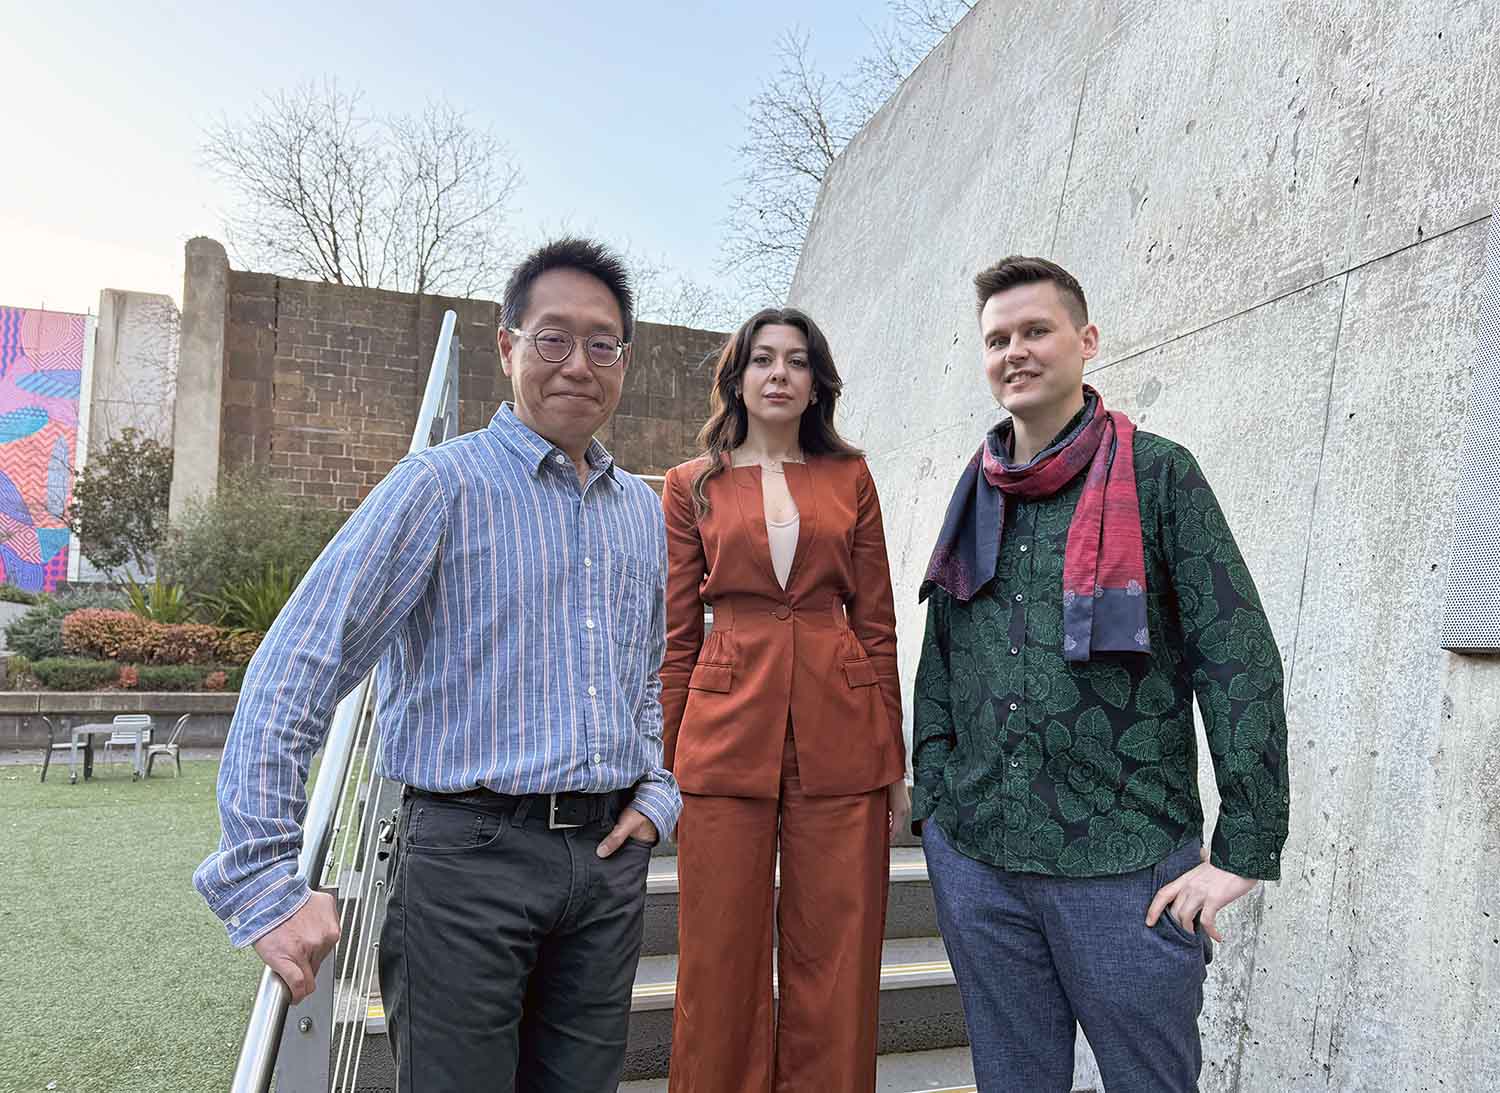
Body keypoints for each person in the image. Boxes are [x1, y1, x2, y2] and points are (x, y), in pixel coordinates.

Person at [193, 238, 679, 1092]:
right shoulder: (438, 486)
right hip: (467, 860)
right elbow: (301, 659)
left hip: (603, 864)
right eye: (552, 338)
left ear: (624, 361)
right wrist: (262, 871)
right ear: (507, 346)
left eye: (602, 343)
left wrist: (656, 791)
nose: (577, 363)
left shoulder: (641, 510)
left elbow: (645, 670)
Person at [912, 256, 1290, 1092]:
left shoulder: (1159, 476)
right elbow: (942, 657)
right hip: (980, 861)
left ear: (1085, 342)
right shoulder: (975, 490)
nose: (1016, 350)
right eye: (997, 338)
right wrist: (934, 804)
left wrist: (1244, 847)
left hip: (1127, 872)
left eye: (1035, 330)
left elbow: (1237, 654)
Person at [659, 307, 909, 1092]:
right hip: (724, 733)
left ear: (815, 382)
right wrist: (669, 759)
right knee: (718, 952)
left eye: (796, 361)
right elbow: (675, 636)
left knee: (838, 951)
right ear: (736, 377)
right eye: (762, 359)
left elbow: (878, 622)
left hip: (842, 733)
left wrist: (891, 757)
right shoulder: (689, 485)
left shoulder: (850, 476)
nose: (778, 373)